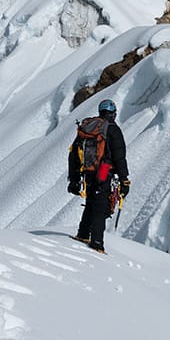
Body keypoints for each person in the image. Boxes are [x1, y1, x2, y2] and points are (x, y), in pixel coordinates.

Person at [68, 98, 130, 253]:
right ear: (113, 114)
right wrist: (124, 180)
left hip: (87, 172)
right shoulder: (113, 130)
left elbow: (74, 154)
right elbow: (119, 157)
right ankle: (96, 243)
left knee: (91, 201)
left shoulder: (88, 128)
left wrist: (74, 179)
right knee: (100, 205)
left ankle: (83, 234)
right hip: (104, 171)